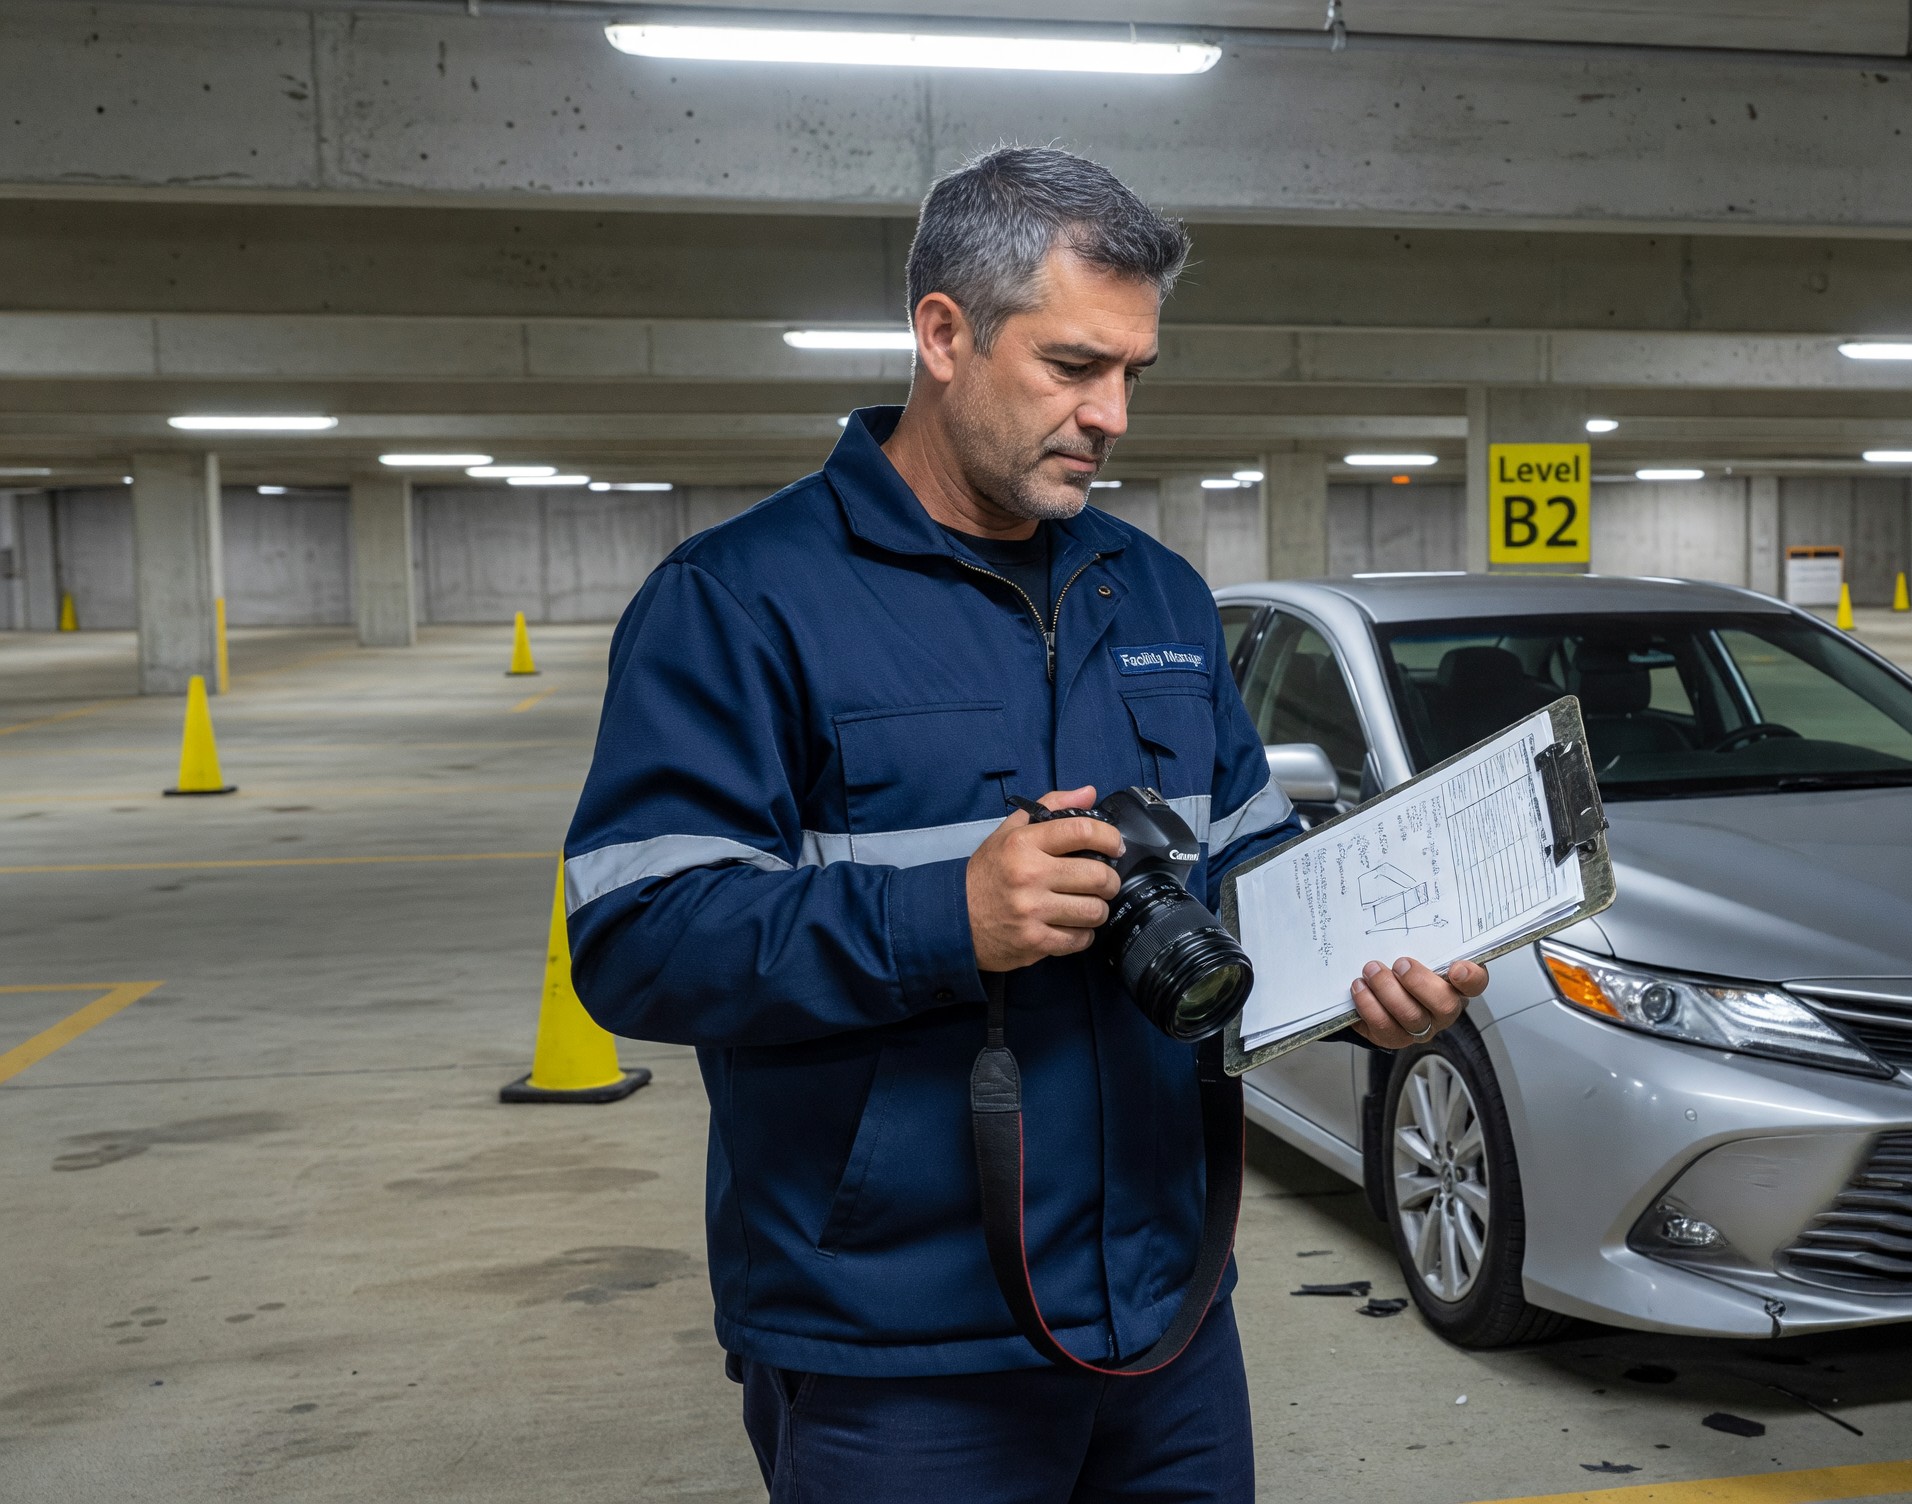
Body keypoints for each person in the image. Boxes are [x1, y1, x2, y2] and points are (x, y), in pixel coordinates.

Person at [559, 146, 1483, 1503]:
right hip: (897, 1344)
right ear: (944, 333)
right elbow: (634, 938)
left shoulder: (1156, 597)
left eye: (1133, 375)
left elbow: (1254, 865)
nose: (1111, 415)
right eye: (1071, 367)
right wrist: (953, 918)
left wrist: (1365, 974)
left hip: (1162, 1319)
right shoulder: (741, 602)